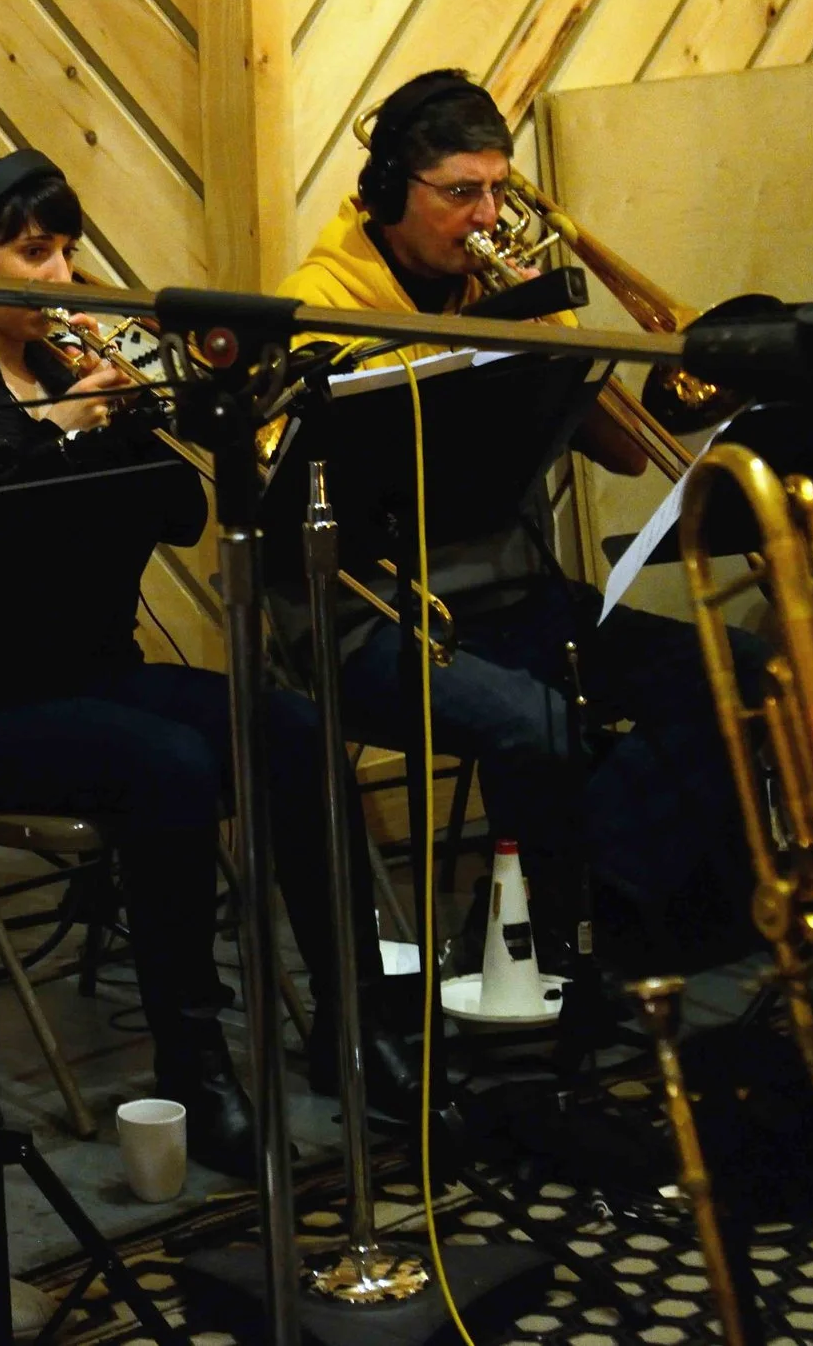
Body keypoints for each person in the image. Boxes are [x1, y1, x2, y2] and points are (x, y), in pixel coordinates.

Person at [0, 150, 393, 1170]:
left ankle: (352, 1021)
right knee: (174, 768)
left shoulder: (76, 373)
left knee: (294, 725)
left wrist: (142, 415)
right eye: (34, 252)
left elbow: (183, 511)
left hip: (102, 669)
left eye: (67, 250)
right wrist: (60, 432)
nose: (62, 276)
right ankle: (193, 1064)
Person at [275, 71, 759, 964]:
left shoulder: (491, 288)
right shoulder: (320, 308)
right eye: (462, 193)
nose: (489, 218)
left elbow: (621, 451)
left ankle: (612, 909)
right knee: (534, 724)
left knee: (735, 675)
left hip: (512, 598)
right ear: (387, 193)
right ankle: (554, 938)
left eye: (500, 190)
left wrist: (550, 332)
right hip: (374, 619)